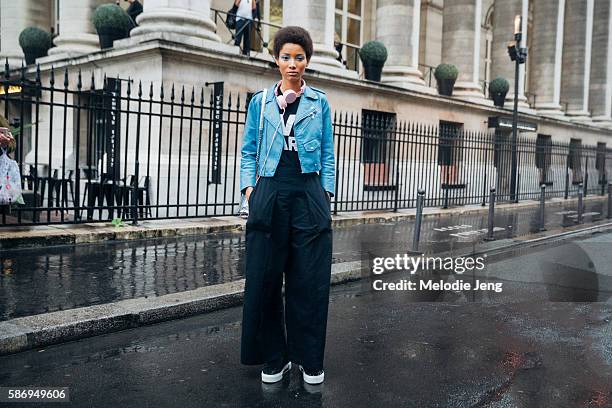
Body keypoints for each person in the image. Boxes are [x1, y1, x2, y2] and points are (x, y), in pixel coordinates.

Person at [239, 26, 335, 385]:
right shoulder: (260, 102)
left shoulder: (319, 102)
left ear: (307, 61)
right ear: (276, 59)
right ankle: (275, 358)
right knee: (264, 278)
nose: (292, 64)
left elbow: (328, 153)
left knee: (308, 280)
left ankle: (308, 360)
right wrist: (250, 190)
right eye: (286, 56)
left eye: (299, 57)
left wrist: (325, 196)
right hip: (270, 190)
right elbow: (248, 150)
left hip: (308, 191)